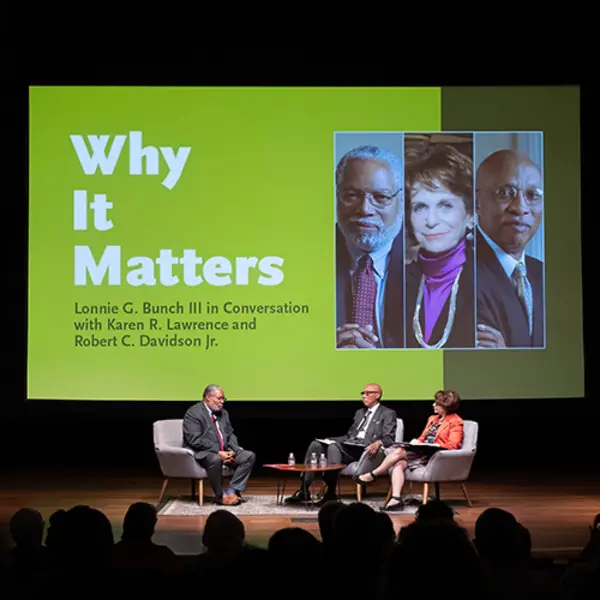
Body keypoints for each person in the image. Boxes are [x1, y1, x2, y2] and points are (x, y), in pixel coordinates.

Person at [404, 142, 475, 348]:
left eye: (445, 205)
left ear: (470, 216)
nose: (431, 221)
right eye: (420, 207)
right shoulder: (397, 283)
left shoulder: (487, 282)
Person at [335, 144, 405, 348]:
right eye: (351, 196)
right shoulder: (312, 254)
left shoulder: (425, 259)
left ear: (400, 201)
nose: (365, 209)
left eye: (381, 197)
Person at [475, 148, 544, 347]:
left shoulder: (543, 275)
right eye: (505, 193)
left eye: (532, 195)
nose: (520, 208)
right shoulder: (461, 271)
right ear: (477, 202)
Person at [285, 383, 397, 505]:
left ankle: (331, 493)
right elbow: (349, 436)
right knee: (316, 444)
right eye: (362, 393)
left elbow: (389, 438)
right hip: (350, 445)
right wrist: (329, 440)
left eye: (367, 393)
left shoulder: (387, 413)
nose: (364, 396)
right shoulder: (360, 412)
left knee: (334, 447)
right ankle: (304, 490)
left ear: (377, 395)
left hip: (364, 450)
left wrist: (378, 442)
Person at [355, 390, 464, 511]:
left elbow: (453, 445)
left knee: (399, 452)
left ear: (446, 406)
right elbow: (423, 437)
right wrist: (417, 442)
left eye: (437, 403)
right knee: (398, 464)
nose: (433, 405)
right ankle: (396, 500)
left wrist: (433, 445)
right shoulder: (433, 419)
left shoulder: (455, 422)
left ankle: (373, 474)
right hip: (422, 452)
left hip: (436, 456)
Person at [183, 384, 256, 506]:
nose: (222, 402)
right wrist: (218, 451)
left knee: (248, 456)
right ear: (208, 398)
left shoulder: (224, 414)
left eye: (223, 399)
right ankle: (220, 496)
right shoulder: (193, 413)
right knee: (216, 459)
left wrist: (234, 449)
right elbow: (194, 440)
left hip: (224, 451)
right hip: (203, 453)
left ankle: (232, 491)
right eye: (219, 398)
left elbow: (230, 433)